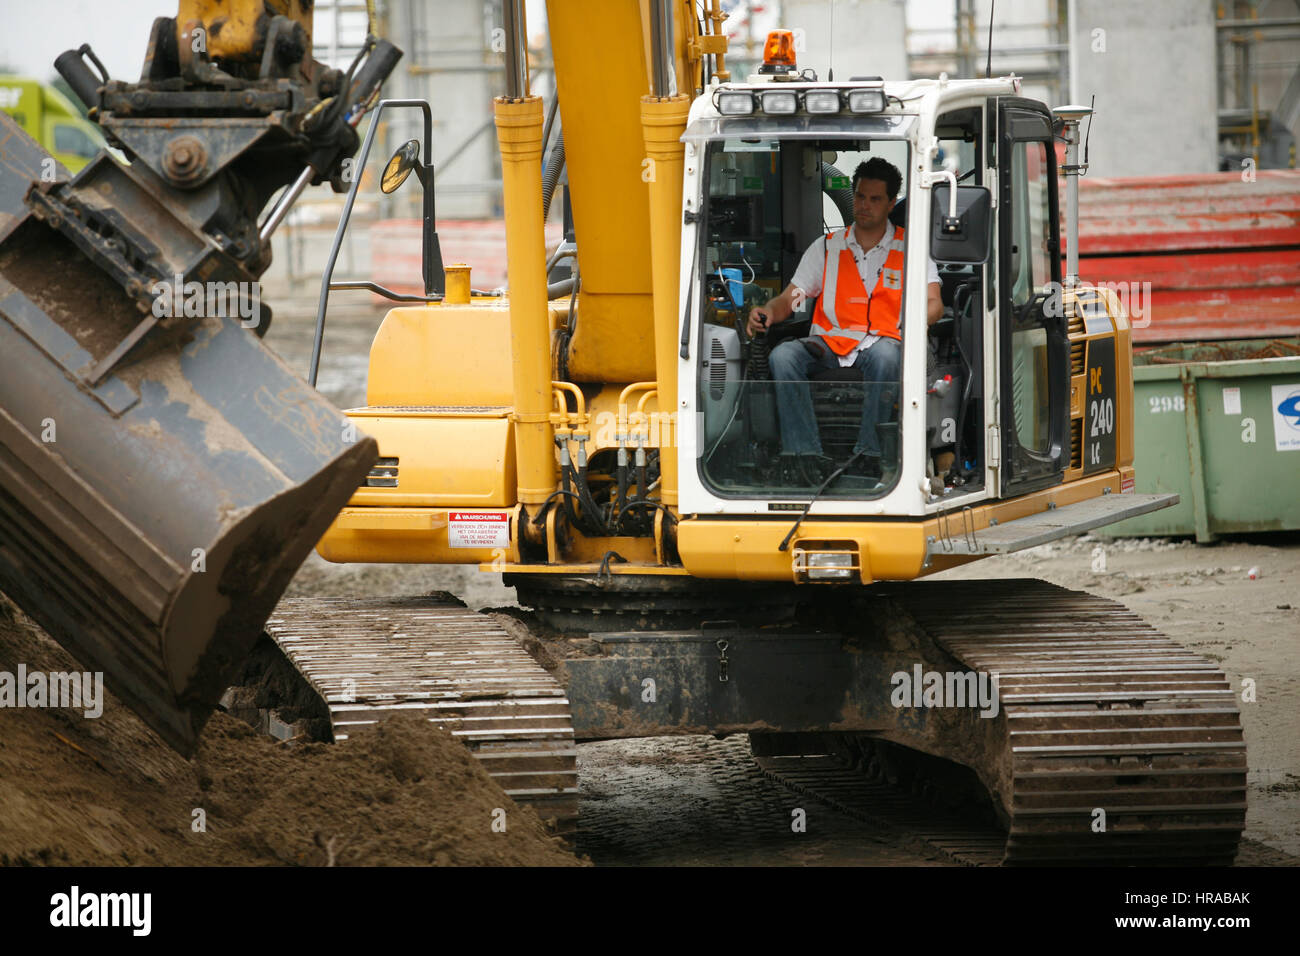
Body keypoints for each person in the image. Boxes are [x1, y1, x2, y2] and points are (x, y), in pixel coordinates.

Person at [747, 157, 944, 482]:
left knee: (885, 356)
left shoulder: (910, 248)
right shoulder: (827, 248)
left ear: (892, 202)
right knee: (783, 355)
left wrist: (917, 318)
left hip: (883, 341)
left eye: (875, 199)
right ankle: (804, 456)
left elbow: (934, 302)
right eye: (860, 197)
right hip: (829, 343)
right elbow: (793, 298)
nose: (864, 206)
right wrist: (770, 311)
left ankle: (868, 454)